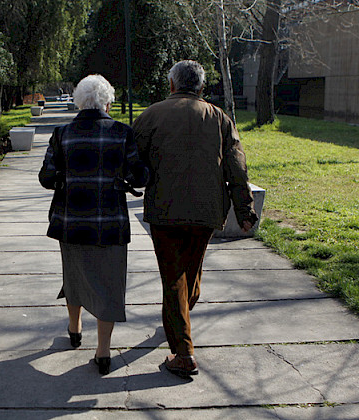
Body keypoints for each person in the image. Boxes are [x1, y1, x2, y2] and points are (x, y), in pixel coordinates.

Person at [132, 60, 258, 378]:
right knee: (190, 271)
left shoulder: (151, 115)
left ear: (172, 84)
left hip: (165, 209)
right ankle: (181, 319)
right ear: (201, 87)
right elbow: (237, 167)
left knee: (174, 278)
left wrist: (131, 182)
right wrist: (244, 211)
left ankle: (184, 353)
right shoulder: (220, 118)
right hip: (206, 211)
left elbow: (132, 160)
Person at [39, 74, 149, 375]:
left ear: (79, 101)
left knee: (74, 275)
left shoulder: (62, 133)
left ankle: (74, 330)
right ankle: (103, 352)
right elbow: (140, 176)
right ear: (108, 102)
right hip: (110, 222)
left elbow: (46, 178)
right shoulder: (122, 133)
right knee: (110, 282)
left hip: (71, 221)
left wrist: (68, 178)